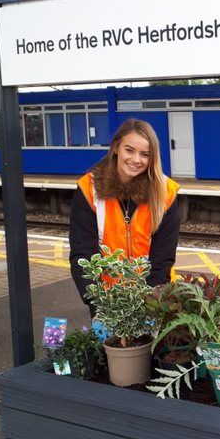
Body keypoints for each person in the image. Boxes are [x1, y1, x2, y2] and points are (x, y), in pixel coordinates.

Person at [69, 118, 181, 308]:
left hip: (153, 296)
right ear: (116, 148)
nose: (136, 160)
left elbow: (163, 255)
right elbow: (82, 251)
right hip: (107, 298)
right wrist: (96, 301)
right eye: (129, 150)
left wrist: (152, 300)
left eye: (145, 154)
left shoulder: (165, 191)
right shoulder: (89, 188)